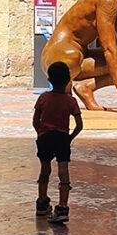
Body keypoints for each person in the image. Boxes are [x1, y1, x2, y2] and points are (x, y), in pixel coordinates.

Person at [33, 61, 83, 224]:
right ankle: (62, 206)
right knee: (63, 171)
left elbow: (35, 120)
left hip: (45, 137)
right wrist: (69, 137)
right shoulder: (70, 101)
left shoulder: (43, 98)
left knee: (44, 169)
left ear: (49, 79)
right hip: (62, 137)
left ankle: (42, 203)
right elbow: (79, 125)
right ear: (68, 80)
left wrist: (40, 132)